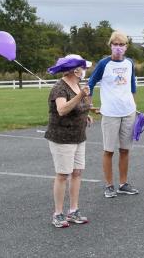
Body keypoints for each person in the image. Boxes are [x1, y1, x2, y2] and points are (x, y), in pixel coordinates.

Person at [87, 31, 139, 198]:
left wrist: (134, 105)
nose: (118, 48)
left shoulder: (130, 63)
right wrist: (89, 104)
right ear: (110, 45)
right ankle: (109, 185)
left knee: (125, 150)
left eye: (121, 44)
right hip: (110, 113)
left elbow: (132, 86)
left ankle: (123, 184)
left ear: (126, 47)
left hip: (128, 112)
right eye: (115, 44)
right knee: (108, 150)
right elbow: (91, 82)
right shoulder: (104, 63)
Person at [45, 54, 93, 228]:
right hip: (62, 137)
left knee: (77, 172)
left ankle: (73, 210)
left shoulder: (76, 84)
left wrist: (86, 114)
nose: (85, 71)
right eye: (83, 68)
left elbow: (76, 107)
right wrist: (81, 96)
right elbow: (62, 109)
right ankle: (58, 214)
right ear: (75, 69)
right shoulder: (59, 87)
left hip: (78, 136)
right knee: (63, 175)